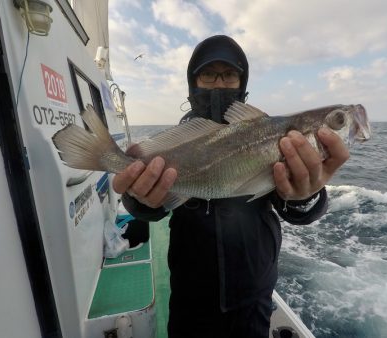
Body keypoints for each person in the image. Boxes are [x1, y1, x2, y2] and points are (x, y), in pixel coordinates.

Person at [113, 35, 349, 338]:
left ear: (242, 82)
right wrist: (140, 199)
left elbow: (298, 210)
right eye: (208, 74)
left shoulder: (271, 135)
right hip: (190, 295)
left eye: (229, 74)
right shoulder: (174, 144)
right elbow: (151, 209)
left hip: (253, 296)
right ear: (193, 82)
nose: (219, 84)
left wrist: (306, 195)